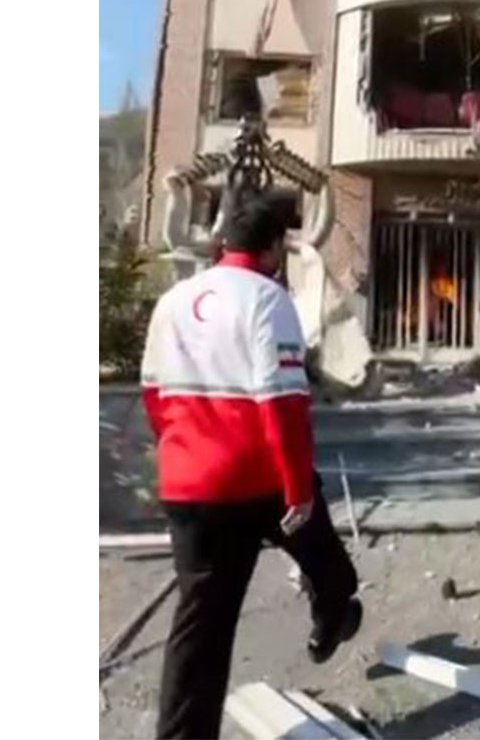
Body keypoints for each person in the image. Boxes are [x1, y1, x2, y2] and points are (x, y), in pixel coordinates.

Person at [141, 196, 362, 740]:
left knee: (201, 629)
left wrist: (182, 452)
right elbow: (282, 404)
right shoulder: (269, 299)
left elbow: (152, 394)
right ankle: (332, 615)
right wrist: (297, 491)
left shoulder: (173, 300)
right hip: (260, 480)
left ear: (221, 243)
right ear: (272, 248)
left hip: (190, 486)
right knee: (326, 561)